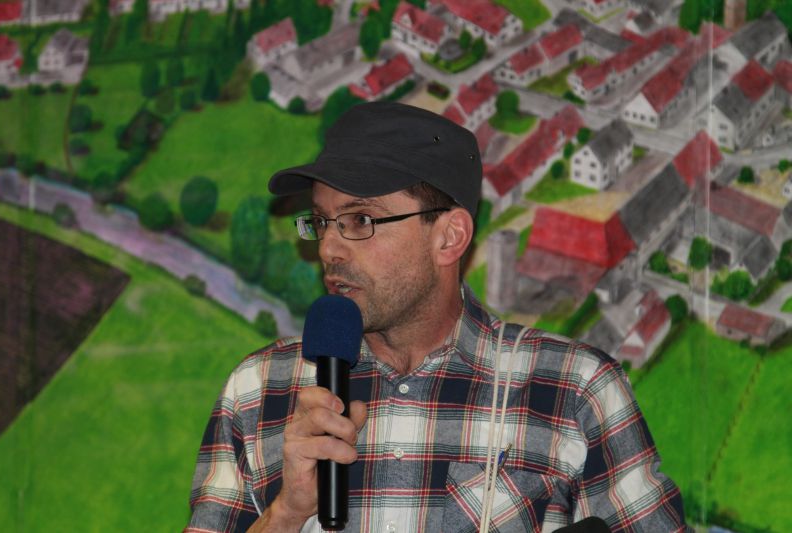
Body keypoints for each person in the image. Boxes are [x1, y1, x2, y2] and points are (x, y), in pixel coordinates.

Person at [185, 102, 689, 532]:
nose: (329, 248)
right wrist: (287, 512)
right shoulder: (257, 388)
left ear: (449, 237)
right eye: (321, 221)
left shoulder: (575, 388)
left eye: (360, 219)